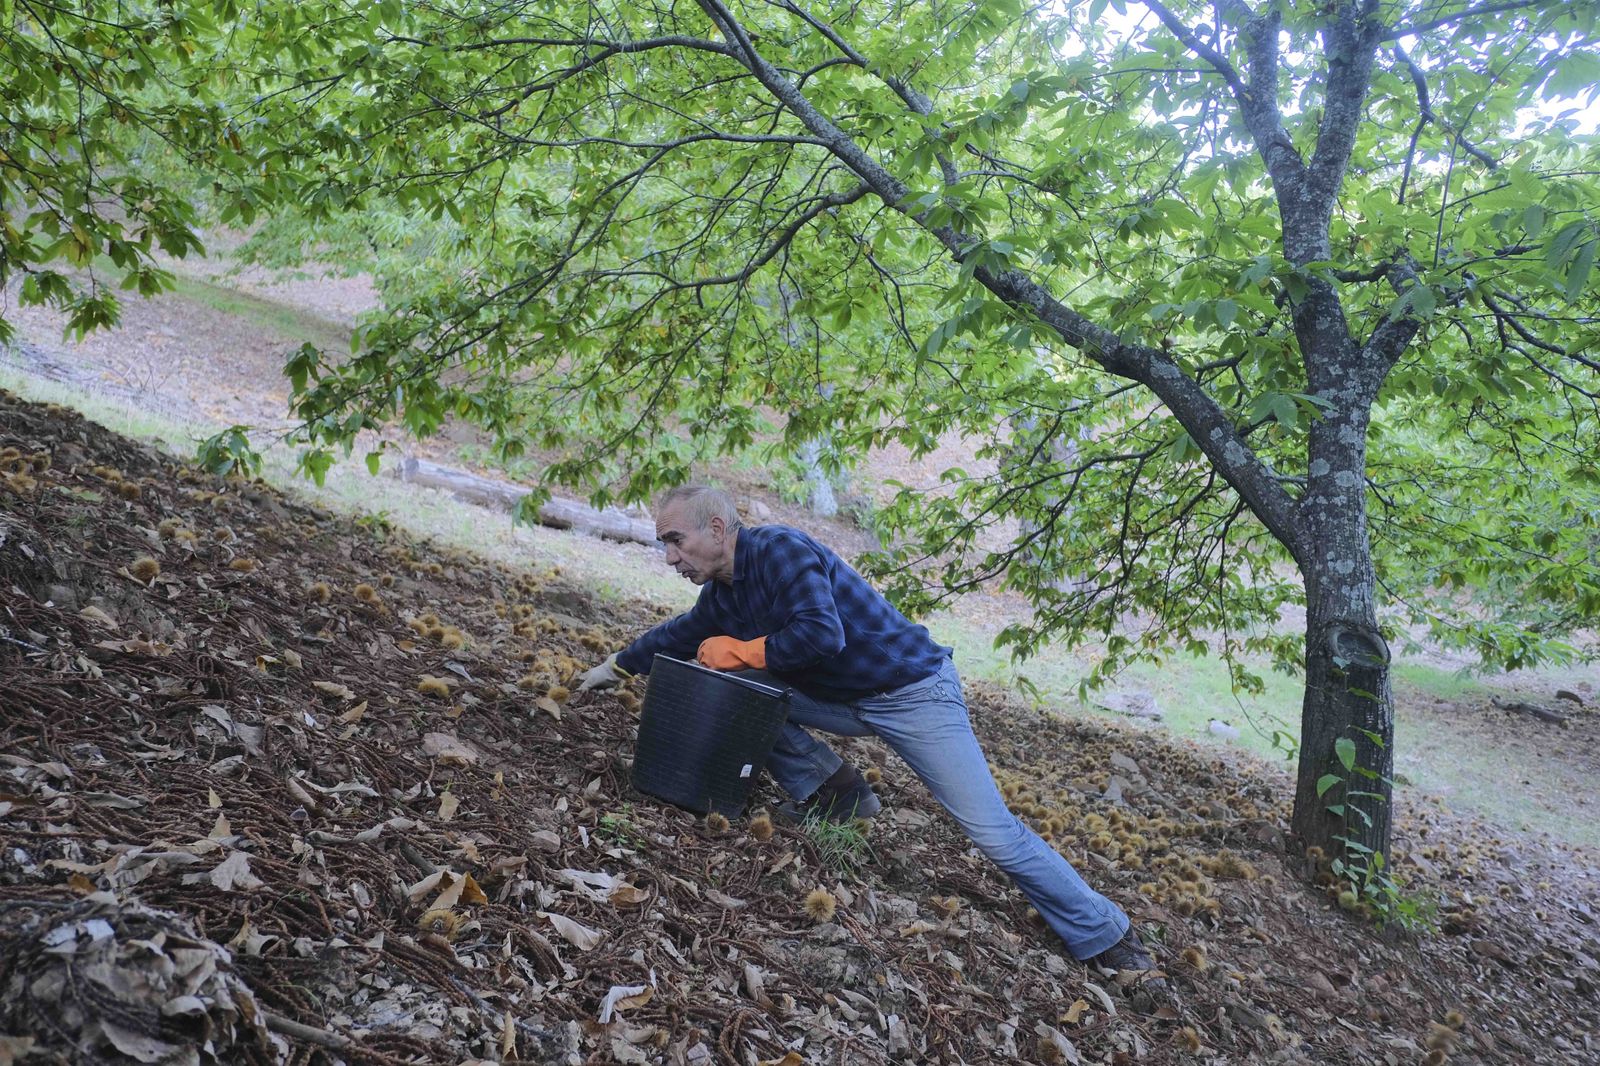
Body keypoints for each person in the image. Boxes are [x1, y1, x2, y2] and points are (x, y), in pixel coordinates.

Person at [578, 485, 1158, 978]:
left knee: (992, 831)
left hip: (912, 691)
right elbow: (679, 635)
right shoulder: (722, 594)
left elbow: (821, 634)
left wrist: (747, 649)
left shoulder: (779, 550)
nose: (668, 555)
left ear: (716, 527)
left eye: (674, 540)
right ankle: (838, 793)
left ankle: (1105, 933)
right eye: (663, 543)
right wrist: (617, 666)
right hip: (840, 699)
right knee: (731, 683)